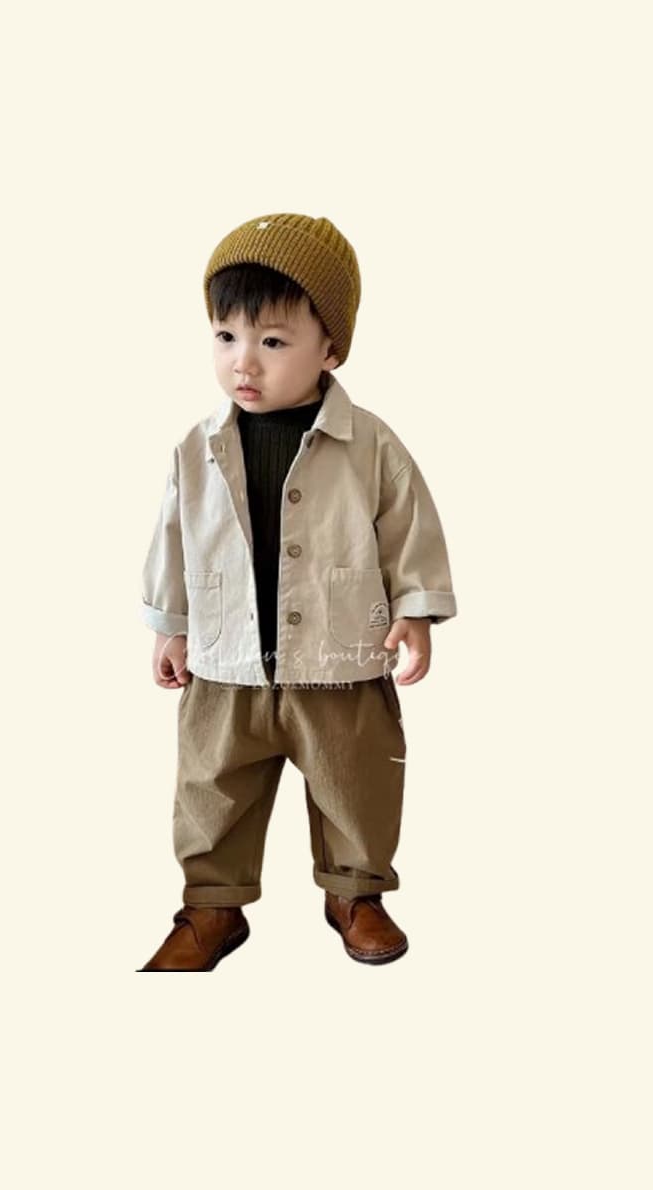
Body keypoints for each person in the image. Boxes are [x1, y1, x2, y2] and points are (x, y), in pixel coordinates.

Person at [137, 213, 458, 971]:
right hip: (226, 660)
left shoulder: (370, 444)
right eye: (226, 337)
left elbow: (408, 526)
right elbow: (174, 538)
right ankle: (212, 906)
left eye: (273, 342)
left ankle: (355, 893)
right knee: (211, 786)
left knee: (356, 781)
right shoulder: (196, 447)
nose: (243, 362)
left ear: (331, 348)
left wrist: (415, 612)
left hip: (341, 659)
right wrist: (171, 625)